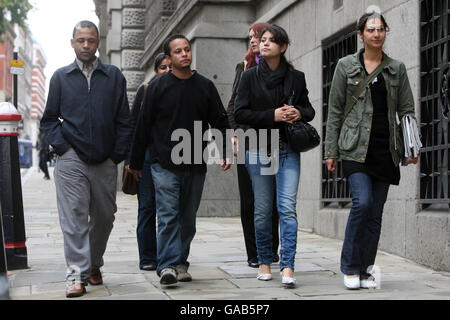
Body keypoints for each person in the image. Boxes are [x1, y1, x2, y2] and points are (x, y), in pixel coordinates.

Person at [324, 9, 419, 290]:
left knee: (375, 213)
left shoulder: (396, 68)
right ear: (361, 34)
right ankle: (350, 266)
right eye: (371, 30)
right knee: (362, 203)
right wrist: (332, 151)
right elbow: (336, 110)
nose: (376, 34)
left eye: (381, 29)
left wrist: (411, 146)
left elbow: (407, 110)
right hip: (354, 148)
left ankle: (366, 271)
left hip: (384, 149)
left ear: (385, 32)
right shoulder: (345, 66)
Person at [129, 34, 232, 286]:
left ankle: (181, 262)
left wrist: (226, 150)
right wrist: (135, 162)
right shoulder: (157, 88)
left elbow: (220, 120)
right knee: (167, 214)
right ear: (169, 57)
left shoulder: (205, 86)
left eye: (187, 49)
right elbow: (142, 126)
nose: (185, 54)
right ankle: (167, 266)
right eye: (178, 51)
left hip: (195, 162)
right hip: (163, 163)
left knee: (187, 218)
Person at [40, 20, 133, 298]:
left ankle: (93, 263)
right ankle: (76, 275)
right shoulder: (61, 77)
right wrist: (64, 149)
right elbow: (48, 121)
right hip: (71, 159)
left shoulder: (113, 76)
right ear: (72, 42)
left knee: (105, 216)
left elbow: (124, 121)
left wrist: (117, 154)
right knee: (74, 217)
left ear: (97, 43)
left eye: (91, 40)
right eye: (80, 40)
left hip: (104, 159)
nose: (85, 45)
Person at [234, 24, 315, 287]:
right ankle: (265, 262)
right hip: (258, 148)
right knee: (262, 210)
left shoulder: (296, 77)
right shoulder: (248, 77)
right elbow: (240, 113)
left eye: (271, 40)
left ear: (283, 46)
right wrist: (272, 115)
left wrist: (298, 113)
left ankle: (288, 266)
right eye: (263, 39)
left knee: (287, 208)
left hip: (288, 149)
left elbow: (310, 109)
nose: (265, 43)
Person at [227, 22, 280, 269]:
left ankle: (271, 249)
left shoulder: (281, 69)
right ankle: (254, 253)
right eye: (249, 37)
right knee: (249, 200)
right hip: (248, 142)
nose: (252, 40)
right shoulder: (244, 66)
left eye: (256, 36)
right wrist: (237, 133)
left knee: (273, 199)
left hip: (274, 142)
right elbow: (232, 107)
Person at [124, 53, 171, 272]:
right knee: (147, 207)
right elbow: (133, 127)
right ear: (156, 70)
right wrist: (130, 161)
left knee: (169, 209)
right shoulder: (146, 91)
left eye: (170, 67)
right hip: (146, 156)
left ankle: (167, 256)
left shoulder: (183, 90)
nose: (167, 71)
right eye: (163, 67)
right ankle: (147, 257)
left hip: (173, 157)